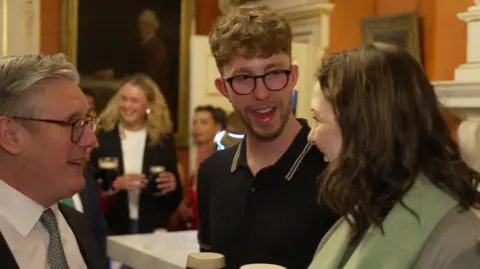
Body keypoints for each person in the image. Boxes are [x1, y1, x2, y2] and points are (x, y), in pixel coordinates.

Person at [308, 43, 480, 269]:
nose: (311, 136)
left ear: (364, 130)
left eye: (318, 120)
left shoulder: (460, 245)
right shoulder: (361, 216)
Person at [197, 5, 338, 269]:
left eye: (274, 73)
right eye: (243, 78)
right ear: (223, 88)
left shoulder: (334, 169)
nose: (262, 94)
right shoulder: (211, 174)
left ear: (293, 76)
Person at [0, 53, 108, 269]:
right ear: (10, 135)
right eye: (72, 123)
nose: (91, 139)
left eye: (88, 122)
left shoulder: (79, 225)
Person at [89, 73, 181, 235]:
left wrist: (173, 185)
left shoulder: (163, 140)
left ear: (150, 105)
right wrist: (114, 185)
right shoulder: (103, 137)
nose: (127, 105)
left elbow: (176, 196)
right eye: (123, 99)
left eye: (134, 100)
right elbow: (89, 187)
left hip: (152, 228)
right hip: (112, 226)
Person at [171, 105, 226, 230]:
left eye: (204, 122)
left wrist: (197, 212)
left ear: (217, 127)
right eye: (194, 122)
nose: (197, 127)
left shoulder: (221, 160)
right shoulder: (194, 157)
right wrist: (184, 205)